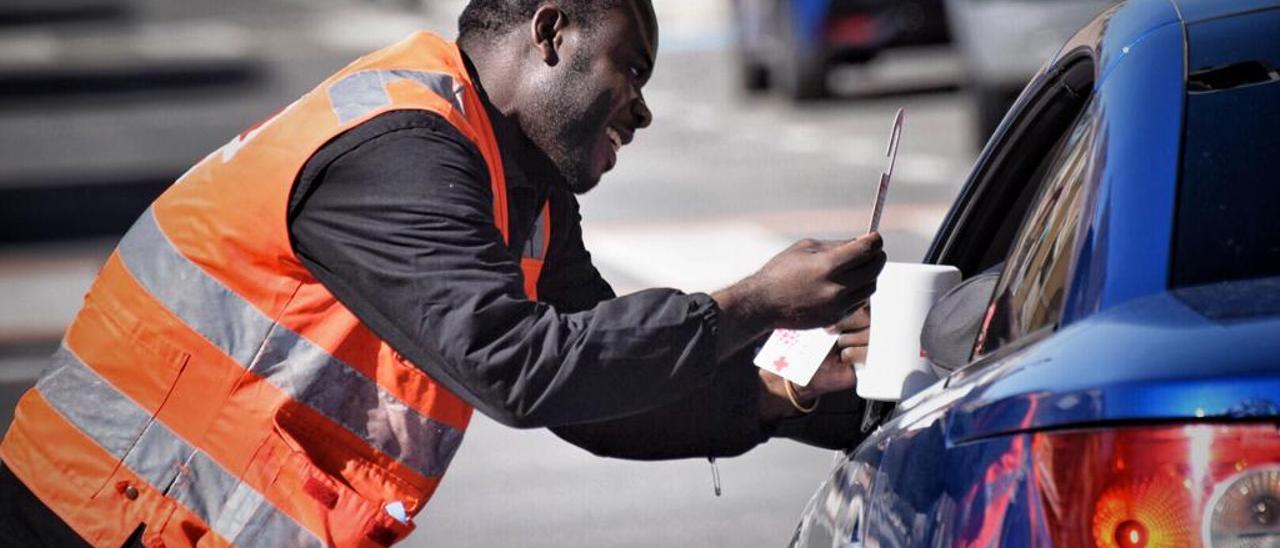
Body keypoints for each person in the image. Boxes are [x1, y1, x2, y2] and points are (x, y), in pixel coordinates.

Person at [0, 0, 885, 545]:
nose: (644, 110)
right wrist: (753, 302)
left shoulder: (522, 186)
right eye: (633, 69)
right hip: (92, 522)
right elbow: (518, 366)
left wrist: (806, 394)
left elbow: (605, 389)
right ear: (551, 33)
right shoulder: (402, 148)